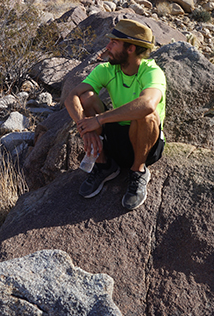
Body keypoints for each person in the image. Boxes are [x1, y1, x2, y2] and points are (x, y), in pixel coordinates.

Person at [65, 18, 167, 210]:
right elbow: (72, 96)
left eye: (114, 43)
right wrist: (85, 128)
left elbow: (147, 104)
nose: (107, 46)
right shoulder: (107, 69)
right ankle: (104, 165)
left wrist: (98, 120)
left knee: (147, 114)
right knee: (86, 97)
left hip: (145, 143)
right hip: (115, 139)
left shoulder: (152, 72)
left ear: (130, 48)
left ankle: (138, 171)